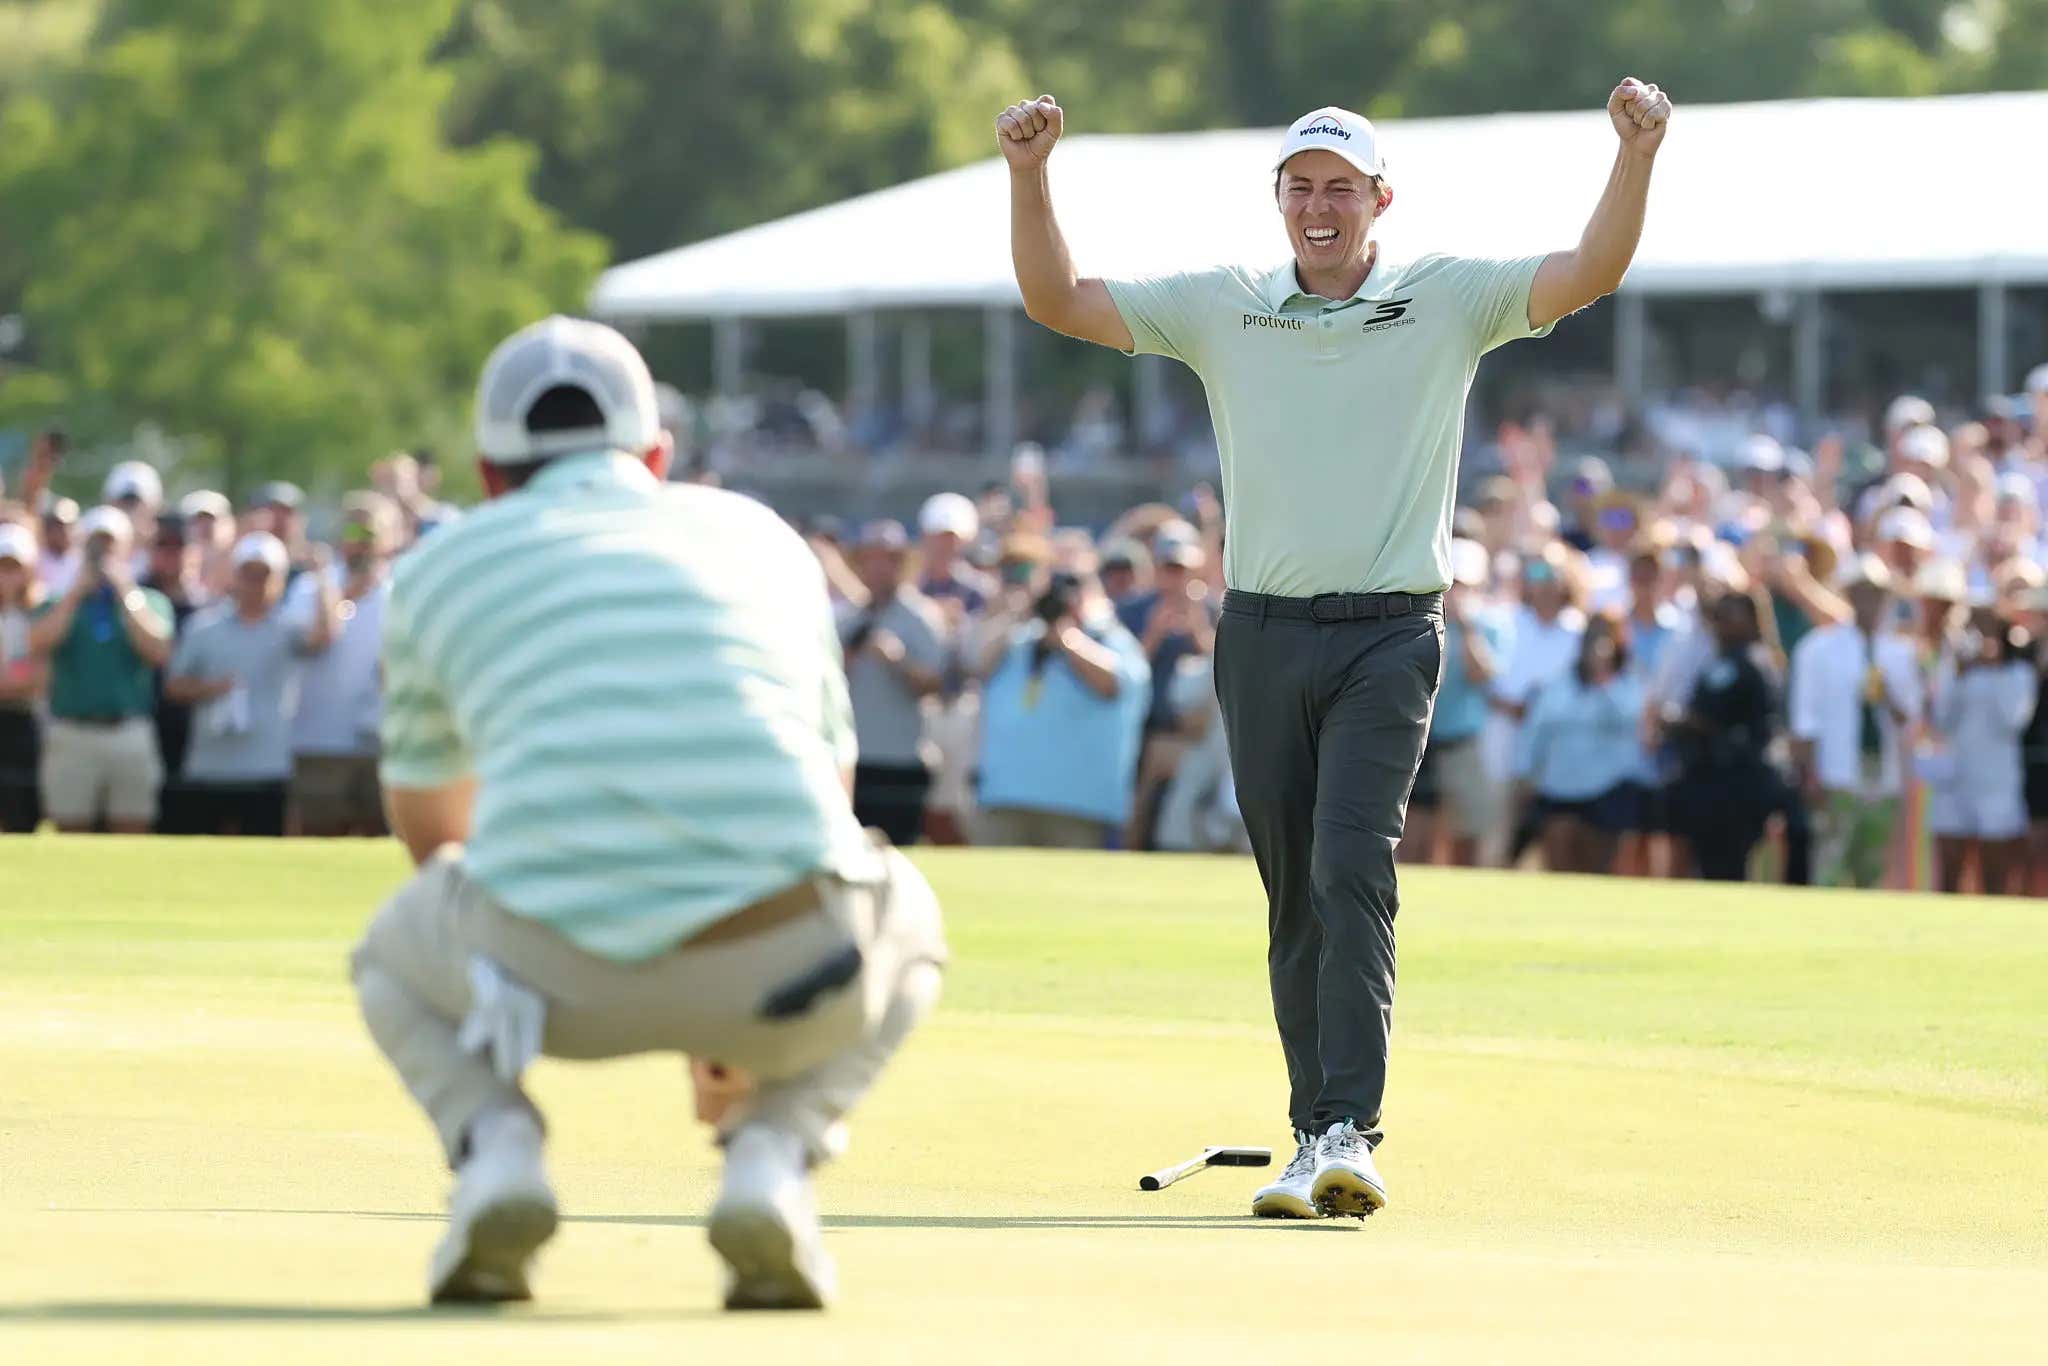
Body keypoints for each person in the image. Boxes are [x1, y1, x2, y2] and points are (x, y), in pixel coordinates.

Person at [998, 73, 1670, 1217]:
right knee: (1291, 895)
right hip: (1257, 633)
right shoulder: (1224, 301)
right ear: (1278, 201)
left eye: (1340, 189)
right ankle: (1313, 1131)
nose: (1319, 206)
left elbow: (1588, 271)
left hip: (1390, 636)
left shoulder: (1446, 296)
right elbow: (1058, 298)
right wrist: (1029, 176)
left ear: (1379, 199)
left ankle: (1347, 1129)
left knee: (1349, 862)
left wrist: (1635, 154)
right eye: (1300, 187)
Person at [350, 316, 944, 1310]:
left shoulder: (437, 568)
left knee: (385, 960)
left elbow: (430, 832)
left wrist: (513, 976)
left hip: (545, 970)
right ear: (658, 455)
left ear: (492, 473)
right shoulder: (761, 536)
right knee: (911, 919)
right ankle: (770, 1153)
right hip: (788, 964)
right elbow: (827, 802)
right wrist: (725, 1023)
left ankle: (496, 1150)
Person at [164, 533, 337, 837]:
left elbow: (324, 636)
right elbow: (173, 686)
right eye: (249, 574)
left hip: (267, 768)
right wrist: (211, 689)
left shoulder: (287, 630)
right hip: (210, 767)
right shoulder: (204, 627)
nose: (256, 584)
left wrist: (322, 578)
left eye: (264, 575)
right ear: (236, 576)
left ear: (279, 580)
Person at [972, 559, 1150, 848]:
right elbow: (978, 666)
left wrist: (1067, 637)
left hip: (1079, 809)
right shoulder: (1020, 639)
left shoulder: (1112, 640)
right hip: (1005, 801)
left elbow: (1113, 684)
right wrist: (1019, 613)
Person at [27, 506, 175, 833]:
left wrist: (125, 592)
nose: (103, 555)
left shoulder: (149, 600)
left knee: (132, 830)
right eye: (96, 546)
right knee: (70, 831)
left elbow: (158, 650)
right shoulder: (58, 601)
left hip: (129, 730)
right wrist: (76, 593)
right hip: (73, 730)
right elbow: (38, 642)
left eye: (110, 546)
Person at [1789, 555, 1923, 889]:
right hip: (1836, 774)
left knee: (1872, 868)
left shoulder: (1899, 653)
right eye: (1862, 592)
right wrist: (1809, 775)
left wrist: (1887, 694)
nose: (1869, 601)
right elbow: (1804, 719)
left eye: (1876, 593)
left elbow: (1910, 720)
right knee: (1831, 864)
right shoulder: (1818, 648)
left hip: (1882, 774)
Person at [289, 492, 400, 837]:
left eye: (369, 535)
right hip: (319, 743)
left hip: (382, 745)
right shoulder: (310, 589)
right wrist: (333, 588)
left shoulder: (401, 594)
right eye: (352, 535)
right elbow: (318, 638)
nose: (360, 546)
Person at [837, 519, 947, 845]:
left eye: (887, 559)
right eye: (870, 559)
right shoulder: (846, 617)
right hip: (852, 761)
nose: (877, 568)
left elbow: (934, 685)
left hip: (900, 760)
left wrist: (897, 660)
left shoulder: (921, 617)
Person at [1405, 538, 1509, 867]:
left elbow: (1484, 675)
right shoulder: (1418, 622)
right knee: (1413, 840)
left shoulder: (1487, 626)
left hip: (1461, 743)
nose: (1454, 592)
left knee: (1468, 837)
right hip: (1418, 742)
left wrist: (1465, 627)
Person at [1515, 613, 1644, 874]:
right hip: (1558, 789)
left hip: (1607, 790)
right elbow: (1537, 730)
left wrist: (1603, 680)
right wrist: (1526, 774)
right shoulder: (1558, 684)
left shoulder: (1630, 683)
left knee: (1597, 869)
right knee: (1559, 857)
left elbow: (1628, 721)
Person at [1926, 602, 2037, 894]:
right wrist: (1960, 673)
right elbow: (1942, 719)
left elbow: (2012, 720)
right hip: (1956, 780)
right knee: (1950, 866)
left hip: (1997, 783)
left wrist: (1995, 666)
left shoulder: (2018, 673)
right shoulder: (1954, 669)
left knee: (1995, 870)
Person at [1668, 593, 1779, 880]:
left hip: (1738, 779)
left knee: (1731, 861)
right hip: (1709, 776)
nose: (1723, 623)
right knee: (1708, 860)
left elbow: (1726, 718)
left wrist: (1691, 723)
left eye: (1732, 615)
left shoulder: (1752, 662)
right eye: (1720, 616)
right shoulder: (1715, 661)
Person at [140, 514, 207, 832]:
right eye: (161, 545)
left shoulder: (207, 610)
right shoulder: (131, 599)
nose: (170, 553)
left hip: (191, 730)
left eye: (178, 545)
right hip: (140, 724)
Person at [0, 522, 48, 830]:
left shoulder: (41, 614)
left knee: (22, 818)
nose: (6, 576)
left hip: (25, 726)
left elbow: (39, 679)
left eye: (14, 567)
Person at [914, 492, 992, 615]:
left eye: (952, 540)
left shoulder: (982, 591)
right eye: (938, 538)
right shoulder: (910, 588)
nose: (944, 546)